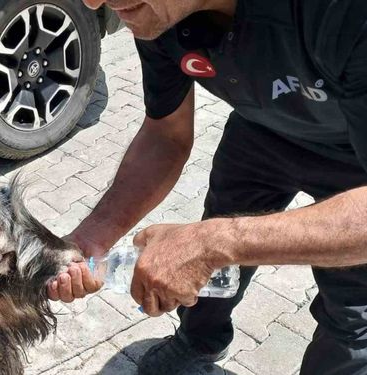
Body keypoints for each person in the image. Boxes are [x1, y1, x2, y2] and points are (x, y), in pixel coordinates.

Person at [46, 0, 367, 373]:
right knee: (203, 255)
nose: (92, 2)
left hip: (355, 157)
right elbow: (165, 135)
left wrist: (218, 242)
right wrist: (92, 239)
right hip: (260, 132)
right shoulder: (157, 13)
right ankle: (200, 339)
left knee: (353, 314)